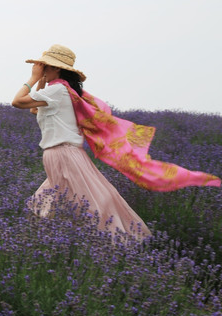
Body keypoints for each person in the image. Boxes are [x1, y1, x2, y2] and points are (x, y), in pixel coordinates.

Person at [12, 44, 221, 239]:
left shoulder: (57, 90)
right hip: (60, 155)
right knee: (58, 202)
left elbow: (17, 102)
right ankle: (63, 245)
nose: (42, 69)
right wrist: (41, 79)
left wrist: (32, 78)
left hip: (64, 154)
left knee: (89, 202)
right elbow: (33, 109)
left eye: (45, 67)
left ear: (56, 69)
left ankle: (118, 243)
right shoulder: (60, 90)